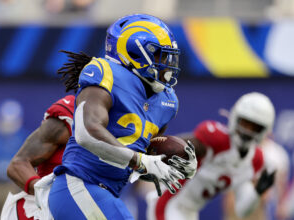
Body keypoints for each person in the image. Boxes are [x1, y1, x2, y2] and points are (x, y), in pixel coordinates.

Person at [48, 14, 197, 220]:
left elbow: (138, 159)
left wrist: (171, 167)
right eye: (160, 56)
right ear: (133, 53)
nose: (167, 64)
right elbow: (86, 132)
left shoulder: (167, 101)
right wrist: (141, 161)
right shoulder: (106, 72)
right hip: (79, 185)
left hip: (109, 192)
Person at [147, 92, 276, 220]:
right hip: (169, 204)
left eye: (255, 128)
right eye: (245, 123)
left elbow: (242, 211)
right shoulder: (217, 139)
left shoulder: (255, 160)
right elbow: (181, 146)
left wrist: (257, 193)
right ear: (235, 118)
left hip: (190, 212)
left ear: (264, 130)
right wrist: (152, 149)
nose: (248, 131)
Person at [0, 95, 75, 220]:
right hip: (43, 211)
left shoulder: (116, 125)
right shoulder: (72, 112)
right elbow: (17, 164)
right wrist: (46, 197)